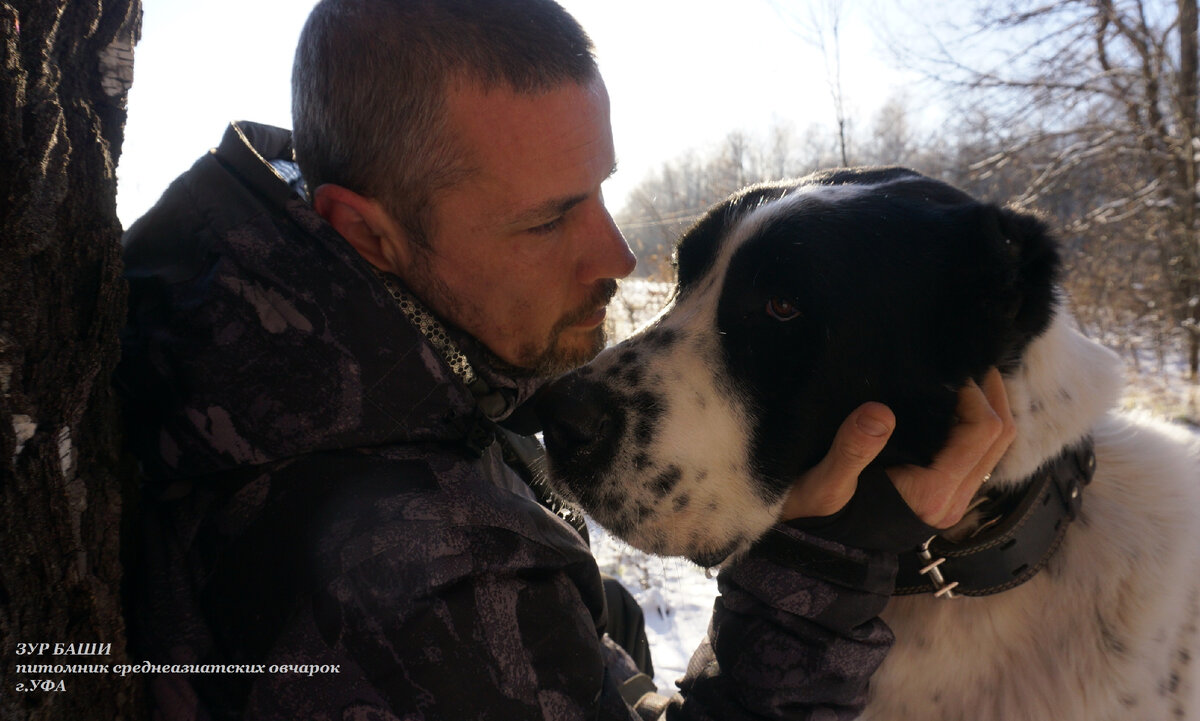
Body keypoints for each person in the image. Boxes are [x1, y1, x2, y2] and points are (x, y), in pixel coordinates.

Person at [116, 0, 1014, 718]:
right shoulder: (409, 589)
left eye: (597, 190)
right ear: (365, 231)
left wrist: (589, 625)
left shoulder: (307, 351)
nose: (616, 255)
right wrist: (817, 569)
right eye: (548, 219)